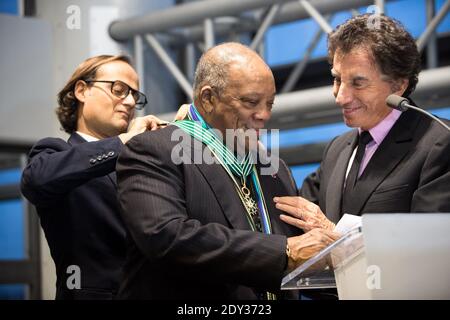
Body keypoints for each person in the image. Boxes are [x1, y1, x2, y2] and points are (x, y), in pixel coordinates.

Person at [115, 42, 339, 300]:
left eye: (270, 104)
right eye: (251, 102)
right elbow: (166, 237)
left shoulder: (274, 168)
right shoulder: (154, 149)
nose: (263, 115)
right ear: (208, 98)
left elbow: (302, 262)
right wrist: (284, 252)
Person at [273, 14, 450, 232]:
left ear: (398, 86)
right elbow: (295, 214)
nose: (340, 97)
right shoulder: (337, 149)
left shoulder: (440, 142)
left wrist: (333, 235)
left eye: (358, 83)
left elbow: (428, 242)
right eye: (337, 79)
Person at [20, 55, 166, 299]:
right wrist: (124, 142)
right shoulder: (56, 152)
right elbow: (36, 180)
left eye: (135, 95)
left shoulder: (143, 162)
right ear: (82, 90)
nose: (130, 102)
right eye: (119, 89)